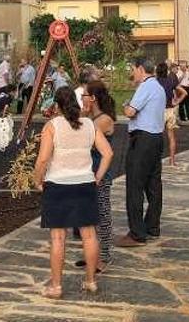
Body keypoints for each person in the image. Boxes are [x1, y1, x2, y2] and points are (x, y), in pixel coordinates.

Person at [34, 86, 113, 298]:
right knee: (90, 235)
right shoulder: (89, 124)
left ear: (57, 105)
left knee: (58, 238)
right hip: (85, 184)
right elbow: (108, 153)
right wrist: (97, 177)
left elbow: (42, 159)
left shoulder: (52, 126)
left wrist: (36, 179)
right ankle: (90, 281)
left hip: (58, 185)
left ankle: (57, 286)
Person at [116, 58, 166, 247]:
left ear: (140, 68)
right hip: (156, 138)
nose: (133, 73)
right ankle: (152, 226)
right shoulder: (159, 87)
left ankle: (137, 233)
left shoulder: (145, 87)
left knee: (135, 186)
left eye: (133, 69)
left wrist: (126, 106)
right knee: (153, 185)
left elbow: (130, 112)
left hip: (143, 139)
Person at [75, 80, 116, 273]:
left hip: (100, 174)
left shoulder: (104, 120)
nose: (81, 99)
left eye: (84, 95)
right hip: (87, 173)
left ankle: (105, 256)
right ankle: (92, 254)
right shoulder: (90, 118)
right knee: (89, 216)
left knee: (102, 214)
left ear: (92, 98)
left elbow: (85, 141)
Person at [157, 62, 187, 164]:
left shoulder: (155, 82)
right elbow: (184, 92)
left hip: (159, 111)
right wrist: (176, 102)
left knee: (156, 136)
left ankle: (156, 159)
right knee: (171, 137)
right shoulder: (170, 81)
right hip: (170, 110)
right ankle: (172, 160)